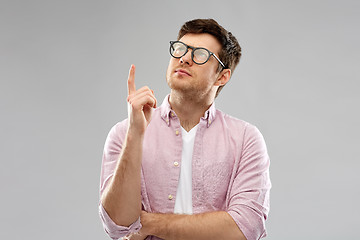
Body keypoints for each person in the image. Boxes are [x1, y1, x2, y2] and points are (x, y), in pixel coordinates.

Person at [99, 18, 271, 240]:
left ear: (222, 76)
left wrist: (147, 223)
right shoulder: (124, 133)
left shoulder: (246, 139)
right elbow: (118, 225)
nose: (184, 58)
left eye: (200, 54)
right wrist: (135, 135)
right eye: (180, 49)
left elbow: (245, 227)